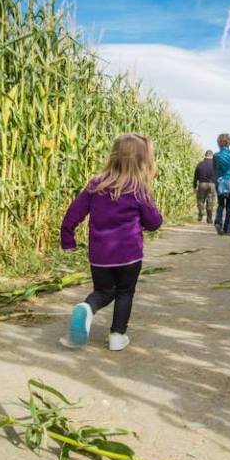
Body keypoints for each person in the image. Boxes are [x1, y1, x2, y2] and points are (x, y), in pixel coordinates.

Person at [59, 133, 162, 351]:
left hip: (100, 256)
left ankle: (88, 307)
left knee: (104, 291)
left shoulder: (96, 185)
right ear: (143, 160)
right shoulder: (138, 189)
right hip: (129, 255)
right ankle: (117, 335)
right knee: (125, 292)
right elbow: (153, 223)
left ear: (114, 155)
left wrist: (68, 238)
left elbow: (73, 213)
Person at [212, 133, 230, 235]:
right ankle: (227, 229)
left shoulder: (216, 155)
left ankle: (218, 223)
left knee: (220, 205)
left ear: (219, 142)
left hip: (220, 182)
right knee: (229, 205)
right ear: (229, 142)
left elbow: (215, 170)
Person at [193, 150, 215, 223]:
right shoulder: (215, 165)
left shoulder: (200, 164)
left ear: (205, 155)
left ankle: (201, 213)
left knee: (200, 200)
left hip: (202, 184)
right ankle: (209, 219)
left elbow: (195, 177)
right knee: (210, 201)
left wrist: (194, 186)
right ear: (212, 156)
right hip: (212, 184)